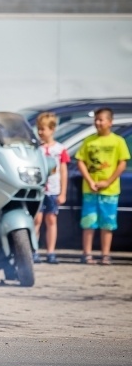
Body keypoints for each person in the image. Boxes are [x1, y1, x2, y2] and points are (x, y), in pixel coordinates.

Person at [75, 107, 130, 265]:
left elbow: (122, 163)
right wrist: (90, 181)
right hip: (90, 189)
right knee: (88, 221)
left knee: (107, 223)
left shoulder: (118, 141)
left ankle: (105, 254)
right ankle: (87, 253)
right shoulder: (89, 141)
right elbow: (80, 161)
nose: (98, 123)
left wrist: (108, 181)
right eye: (96, 120)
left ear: (110, 122)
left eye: (101, 120)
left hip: (110, 191)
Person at [33, 112, 70, 264]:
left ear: (52, 129)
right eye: (39, 129)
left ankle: (51, 251)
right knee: (36, 220)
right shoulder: (36, 148)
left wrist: (63, 192)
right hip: (39, 190)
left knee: (51, 219)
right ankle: (33, 250)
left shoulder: (60, 149)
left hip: (53, 190)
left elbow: (63, 171)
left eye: (43, 129)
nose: (40, 132)